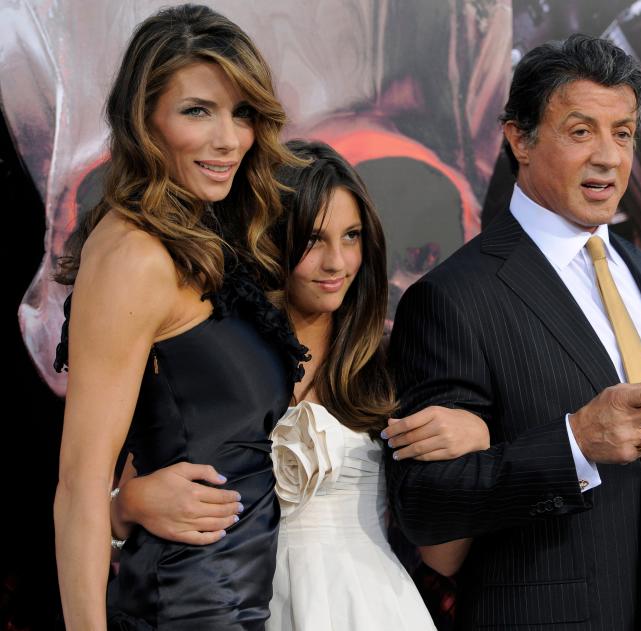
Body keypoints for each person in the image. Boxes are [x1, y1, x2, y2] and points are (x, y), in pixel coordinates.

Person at [386, 34, 641, 630]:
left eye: (623, 132)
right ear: (520, 138)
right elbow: (425, 506)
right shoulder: (451, 298)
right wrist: (573, 444)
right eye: (581, 130)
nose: (610, 158)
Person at [109, 141, 487, 630]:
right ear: (267, 238)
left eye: (351, 236)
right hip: (231, 608)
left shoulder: (389, 368)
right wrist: (128, 506)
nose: (336, 263)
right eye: (312, 239)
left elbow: (443, 557)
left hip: (372, 611)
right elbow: (106, 513)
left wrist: (476, 443)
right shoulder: (212, 364)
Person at [52, 5, 305, 629]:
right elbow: (81, 484)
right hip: (191, 605)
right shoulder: (134, 255)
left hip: (235, 600)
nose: (229, 139)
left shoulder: (196, 235)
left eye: (241, 112)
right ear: (146, 121)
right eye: (198, 111)